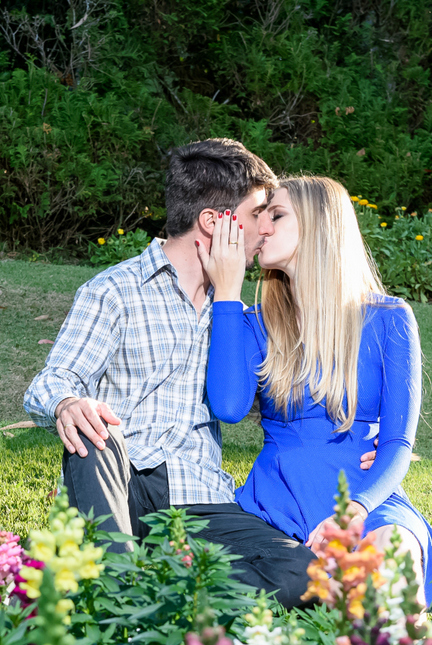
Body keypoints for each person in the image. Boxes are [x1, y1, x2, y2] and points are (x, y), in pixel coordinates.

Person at [22, 140, 375, 609]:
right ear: (214, 222)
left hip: (199, 497)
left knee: (307, 577)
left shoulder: (241, 319)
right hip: (118, 480)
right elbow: (51, 381)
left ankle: (144, 588)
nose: (265, 230)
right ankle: (120, 585)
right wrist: (68, 403)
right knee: (94, 431)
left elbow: (275, 399)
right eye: (257, 215)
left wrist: (365, 438)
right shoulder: (115, 290)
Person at [199, 175, 432, 606]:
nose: (262, 227)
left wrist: (356, 509)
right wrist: (228, 292)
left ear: (319, 225)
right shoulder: (254, 321)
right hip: (277, 502)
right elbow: (229, 406)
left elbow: (399, 443)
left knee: (389, 557)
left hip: (366, 499)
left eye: (277, 214)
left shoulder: (389, 319)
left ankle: (403, 641)